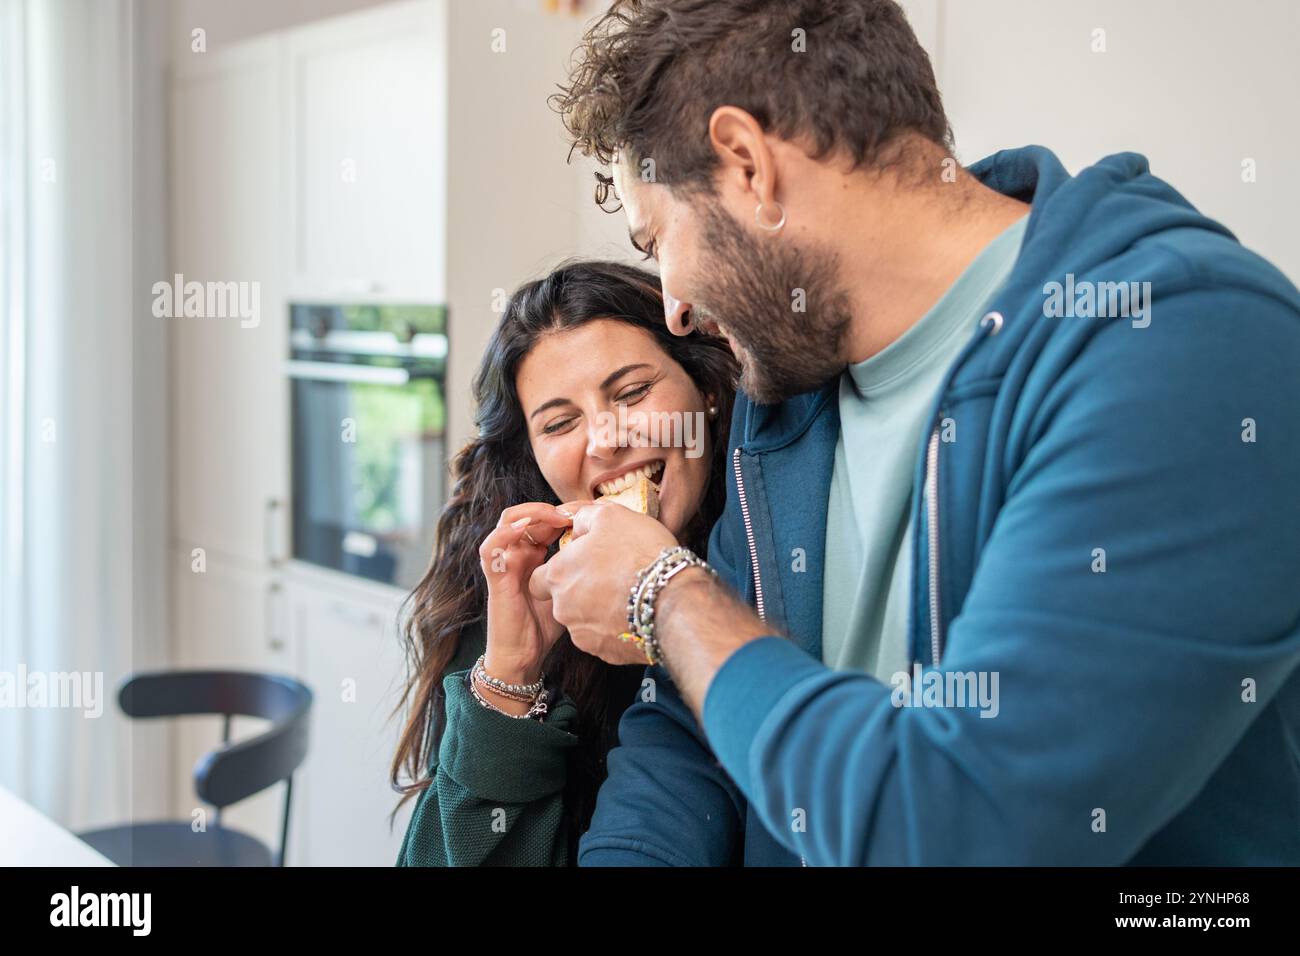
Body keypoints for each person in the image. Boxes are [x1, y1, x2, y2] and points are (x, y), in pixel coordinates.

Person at [532, 0, 1300, 865]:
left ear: (749, 164)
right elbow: (693, 728)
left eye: (659, 239)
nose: (673, 308)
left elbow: (966, 825)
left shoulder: (1184, 345)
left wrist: (665, 595)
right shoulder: (788, 385)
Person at [392, 259, 738, 865]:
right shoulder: (511, 598)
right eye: (560, 423)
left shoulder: (771, 559)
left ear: (705, 391)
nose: (605, 439)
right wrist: (511, 678)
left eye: (632, 393)